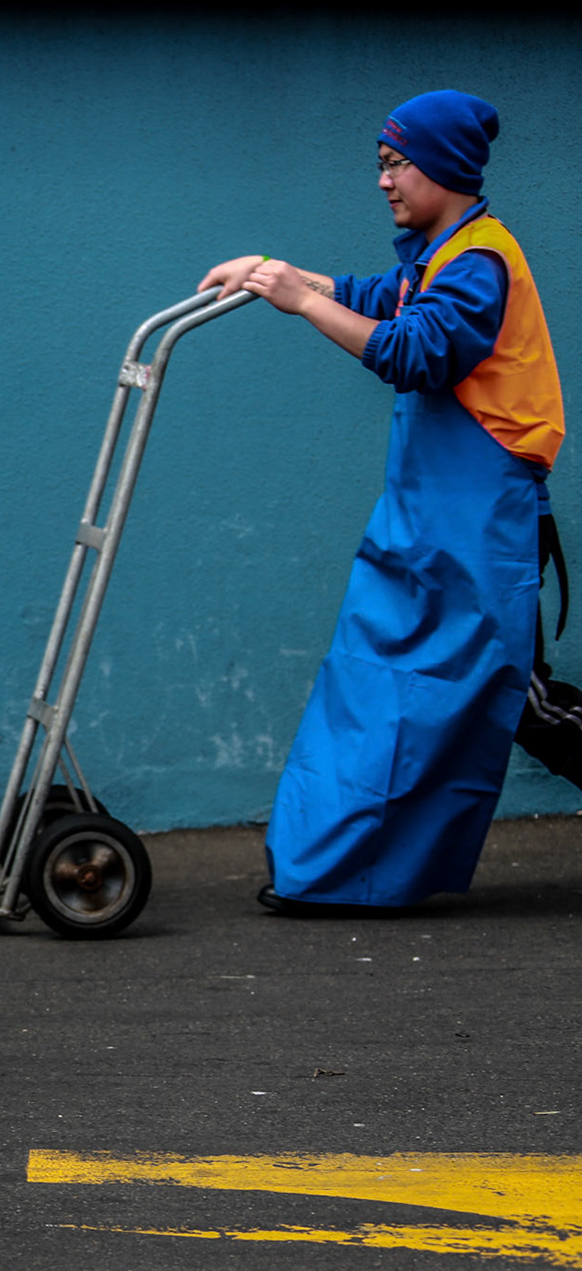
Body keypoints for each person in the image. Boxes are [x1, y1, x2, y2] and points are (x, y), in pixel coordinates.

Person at [198, 89, 565, 915]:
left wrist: (298, 300)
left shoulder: (480, 262)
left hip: (472, 530)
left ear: (444, 166)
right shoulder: (443, 257)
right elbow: (380, 300)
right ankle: (336, 874)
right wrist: (273, 276)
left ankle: (347, 875)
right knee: (399, 694)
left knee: (451, 699)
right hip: (432, 527)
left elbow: (415, 352)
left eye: (396, 163)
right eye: (381, 164)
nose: (384, 182)